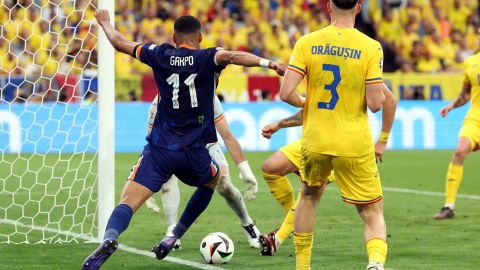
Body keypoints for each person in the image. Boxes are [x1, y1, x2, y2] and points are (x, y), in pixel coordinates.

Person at [82, 10, 284, 269]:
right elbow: (234, 56)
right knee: (213, 180)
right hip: (194, 150)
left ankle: (110, 238)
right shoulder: (208, 56)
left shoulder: (159, 53)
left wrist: (106, 23)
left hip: (160, 150)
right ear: (200, 36)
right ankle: (174, 235)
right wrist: (269, 64)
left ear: (173, 38)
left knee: (127, 203)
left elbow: (120, 42)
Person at [279, 0, 394, 269]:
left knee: (308, 196)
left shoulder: (307, 42)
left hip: (315, 139)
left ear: (329, 6)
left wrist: (307, 102)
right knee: (372, 212)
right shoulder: (370, 46)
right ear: (358, 7)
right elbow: (377, 104)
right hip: (354, 142)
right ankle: (375, 264)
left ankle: (303, 266)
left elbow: (286, 93)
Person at [259, 84, 396, 256]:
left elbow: (386, 101)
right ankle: (293, 220)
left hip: (345, 145)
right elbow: (312, 108)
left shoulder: (360, 63)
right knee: (271, 167)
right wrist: (280, 124)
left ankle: (278, 237)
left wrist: (382, 140)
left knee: (310, 193)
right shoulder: (322, 61)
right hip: (315, 140)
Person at [145, 94, 261, 248]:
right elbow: (153, 139)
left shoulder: (207, 95)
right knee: (167, 178)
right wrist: (150, 181)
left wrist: (245, 169)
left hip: (206, 144)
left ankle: (248, 224)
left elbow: (227, 136)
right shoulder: (160, 99)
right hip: (174, 146)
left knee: (224, 184)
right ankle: (172, 230)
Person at [434, 27, 480, 220]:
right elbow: (465, 94)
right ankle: (448, 206)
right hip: (476, 118)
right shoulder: (470, 63)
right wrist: (452, 105)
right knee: (460, 150)